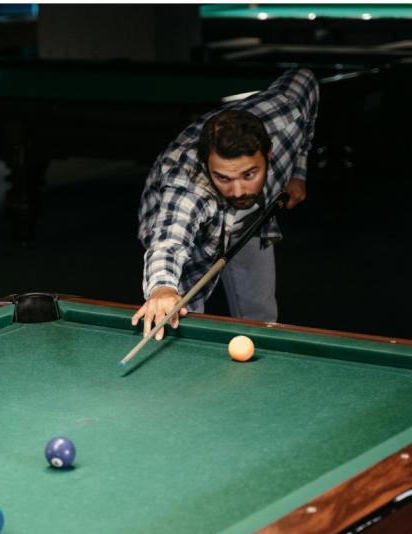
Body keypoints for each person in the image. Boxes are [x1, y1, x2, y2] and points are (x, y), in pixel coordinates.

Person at [132, 67, 319, 340]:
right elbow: (169, 243)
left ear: (268, 153)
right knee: (181, 317)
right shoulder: (188, 185)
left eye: (249, 174)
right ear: (207, 163)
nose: (238, 191)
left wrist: (298, 171)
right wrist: (161, 288)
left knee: (260, 311)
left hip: (252, 220)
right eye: (223, 177)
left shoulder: (286, 115)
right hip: (191, 230)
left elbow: (306, 78)